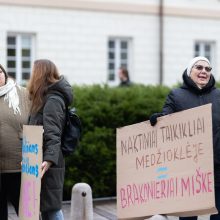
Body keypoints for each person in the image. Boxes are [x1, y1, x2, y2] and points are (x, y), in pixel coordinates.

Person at [150, 56, 220, 220]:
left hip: (217, 166)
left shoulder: (218, 95)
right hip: (189, 168)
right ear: (190, 71)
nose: (203, 71)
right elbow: (166, 119)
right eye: (199, 67)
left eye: (207, 69)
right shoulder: (176, 95)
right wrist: (158, 119)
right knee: (188, 216)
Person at [27, 59, 73, 220]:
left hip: (47, 163)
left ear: (40, 74)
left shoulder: (53, 100)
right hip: (39, 160)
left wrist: (48, 161)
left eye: (33, 72)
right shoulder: (44, 98)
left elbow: (53, 135)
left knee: (51, 209)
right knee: (46, 208)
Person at [0, 64, 30, 219]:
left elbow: (36, 123)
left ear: (5, 74)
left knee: (28, 213)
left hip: (21, 167)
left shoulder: (22, 93)